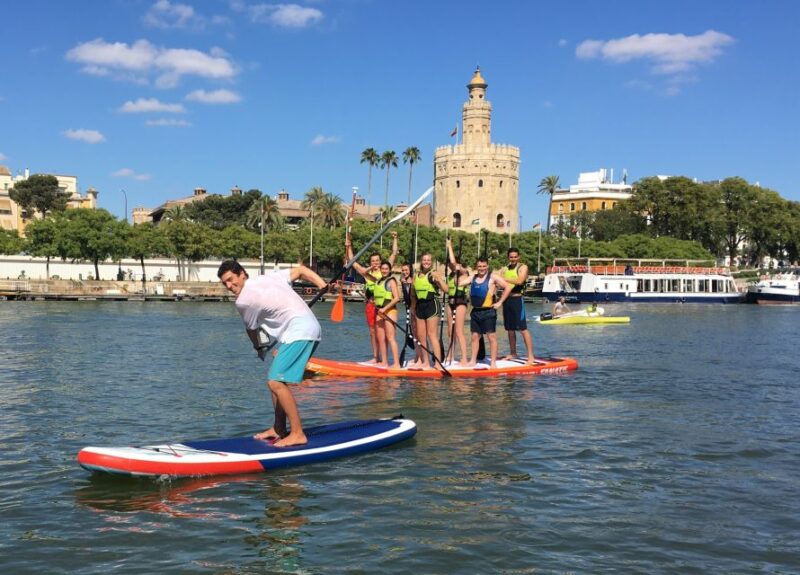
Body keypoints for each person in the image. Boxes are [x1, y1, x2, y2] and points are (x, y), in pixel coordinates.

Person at [217, 260, 329, 447]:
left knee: (275, 382)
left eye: (230, 279)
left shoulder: (243, 301)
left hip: (301, 331)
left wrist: (259, 348)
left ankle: (297, 433)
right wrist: (321, 284)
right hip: (305, 328)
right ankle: (279, 428)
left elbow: (252, 330)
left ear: (242, 274)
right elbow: (300, 270)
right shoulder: (268, 278)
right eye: (224, 283)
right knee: (276, 380)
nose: (229, 286)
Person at [347, 232, 398, 364]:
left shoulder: (385, 271)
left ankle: (386, 359)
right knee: (373, 331)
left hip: (384, 305)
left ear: (381, 262)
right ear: (370, 262)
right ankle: (376, 357)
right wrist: (349, 246)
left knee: (385, 333)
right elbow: (352, 261)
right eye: (373, 261)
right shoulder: (367, 273)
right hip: (371, 305)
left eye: (377, 261)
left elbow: (394, 254)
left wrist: (395, 238)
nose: (375, 263)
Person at [467, 257, 512, 369]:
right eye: (479, 266)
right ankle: (473, 360)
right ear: (476, 267)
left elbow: (508, 287)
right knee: (474, 336)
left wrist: (500, 302)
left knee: (491, 337)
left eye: (484, 266)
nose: (481, 268)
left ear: (487, 266)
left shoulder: (493, 277)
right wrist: (458, 270)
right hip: (475, 311)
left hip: (488, 312)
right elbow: (459, 282)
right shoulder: (473, 277)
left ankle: (493, 362)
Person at [410, 252, 448, 369]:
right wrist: (413, 308)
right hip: (420, 307)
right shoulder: (416, 276)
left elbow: (446, 289)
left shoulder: (433, 274)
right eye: (424, 260)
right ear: (421, 261)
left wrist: (439, 280)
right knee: (421, 336)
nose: (426, 262)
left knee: (432, 335)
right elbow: (413, 294)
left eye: (428, 260)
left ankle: (438, 363)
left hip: (432, 305)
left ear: (431, 262)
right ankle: (425, 362)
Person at [498, 247, 535, 364]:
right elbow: (498, 282)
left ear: (518, 257)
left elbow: (519, 281)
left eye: (515, 257)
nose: (513, 259)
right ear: (508, 257)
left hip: (517, 300)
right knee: (510, 329)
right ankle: (513, 353)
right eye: (511, 257)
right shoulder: (505, 268)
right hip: (506, 299)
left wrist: (503, 278)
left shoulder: (523, 267)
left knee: (523, 329)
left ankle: (530, 356)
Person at [372, 260, 402, 368]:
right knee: (381, 338)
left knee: (390, 338)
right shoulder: (378, 281)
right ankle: (384, 362)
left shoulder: (391, 281)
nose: (384, 271)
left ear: (389, 270)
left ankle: (396, 364)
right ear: (380, 269)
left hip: (390, 311)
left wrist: (385, 309)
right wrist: (374, 301)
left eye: (386, 269)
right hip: (379, 311)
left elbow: (397, 298)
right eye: (383, 269)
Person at [445, 238, 470, 365]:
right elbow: (446, 289)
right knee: (450, 331)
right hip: (450, 302)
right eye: (449, 265)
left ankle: (464, 358)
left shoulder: (464, 272)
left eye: (453, 265)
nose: (451, 266)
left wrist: (449, 245)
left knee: (459, 331)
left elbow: (454, 262)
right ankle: (450, 356)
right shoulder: (450, 275)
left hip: (460, 303)